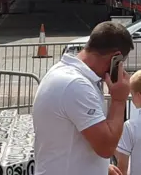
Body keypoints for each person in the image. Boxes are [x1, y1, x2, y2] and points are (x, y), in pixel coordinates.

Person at [33, 21, 134, 175]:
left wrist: (100, 167)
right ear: (115, 58)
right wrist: (119, 100)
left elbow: (72, 137)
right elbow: (106, 147)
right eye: (121, 63)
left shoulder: (67, 74)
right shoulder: (76, 85)